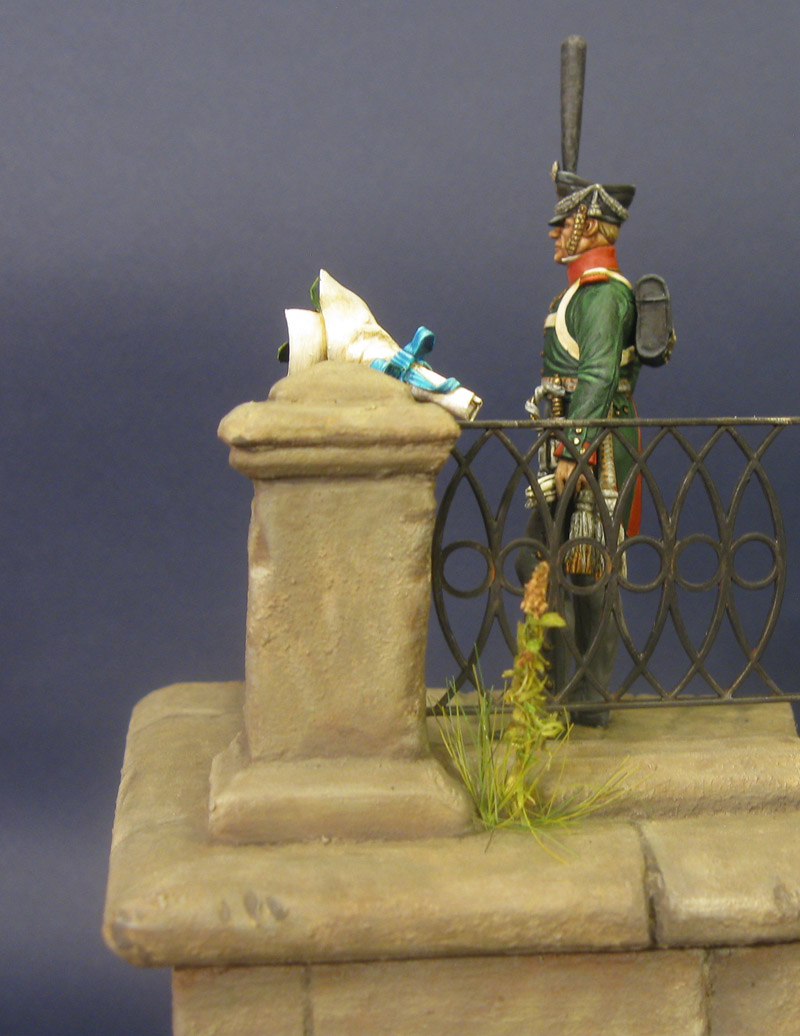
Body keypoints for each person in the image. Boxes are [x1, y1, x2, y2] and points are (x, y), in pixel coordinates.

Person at [516, 166, 642, 727]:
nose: (553, 232)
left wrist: (574, 449)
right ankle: (561, 692)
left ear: (588, 225)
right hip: (574, 441)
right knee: (549, 560)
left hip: (594, 453)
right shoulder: (582, 292)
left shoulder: (603, 296)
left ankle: (582, 700)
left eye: (562, 221)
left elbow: (597, 376)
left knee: (587, 571)